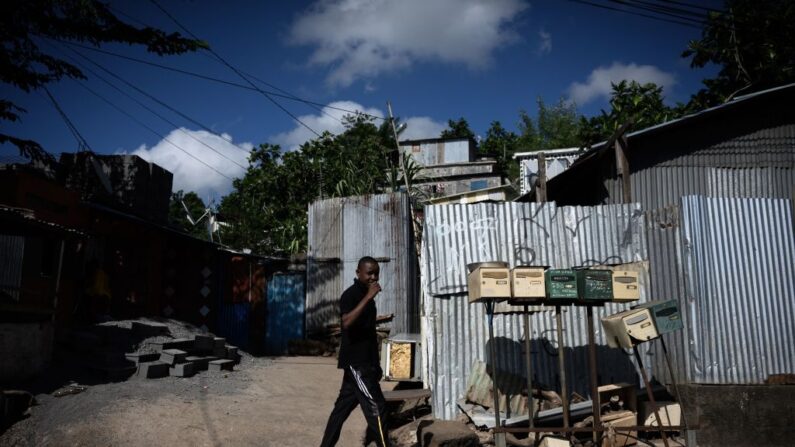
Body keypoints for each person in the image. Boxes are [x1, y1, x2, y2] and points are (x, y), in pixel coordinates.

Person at [320, 256, 389, 447]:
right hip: (357, 364)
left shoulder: (368, 299)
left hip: (366, 364)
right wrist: (368, 297)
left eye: (376, 273)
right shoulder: (350, 295)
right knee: (377, 407)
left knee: (340, 411)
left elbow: (368, 335)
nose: (373, 277)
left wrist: (376, 365)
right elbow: (346, 323)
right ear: (358, 273)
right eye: (369, 273)